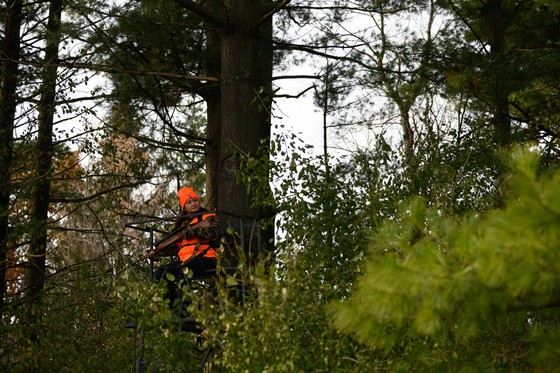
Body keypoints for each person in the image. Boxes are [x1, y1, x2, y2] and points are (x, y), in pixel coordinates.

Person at [154, 186, 220, 309]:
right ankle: (177, 309)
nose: (193, 204)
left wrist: (193, 232)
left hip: (206, 258)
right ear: (184, 207)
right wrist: (157, 252)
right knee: (159, 274)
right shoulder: (181, 224)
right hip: (186, 261)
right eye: (188, 202)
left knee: (184, 270)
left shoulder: (208, 216)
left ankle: (187, 310)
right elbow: (176, 247)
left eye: (195, 200)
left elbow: (215, 233)